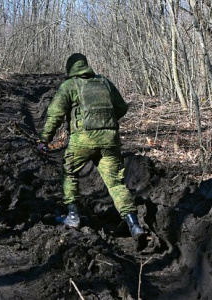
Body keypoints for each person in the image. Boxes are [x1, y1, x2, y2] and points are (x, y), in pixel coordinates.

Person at [37, 53, 146, 245]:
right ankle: (134, 224)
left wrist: (44, 140)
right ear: (86, 65)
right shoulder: (104, 82)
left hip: (82, 140)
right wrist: (105, 124)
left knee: (70, 172)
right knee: (115, 183)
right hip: (110, 140)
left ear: (70, 68)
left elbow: (55, 115)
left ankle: (72, 215)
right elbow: (121, 107)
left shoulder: (69, 86)